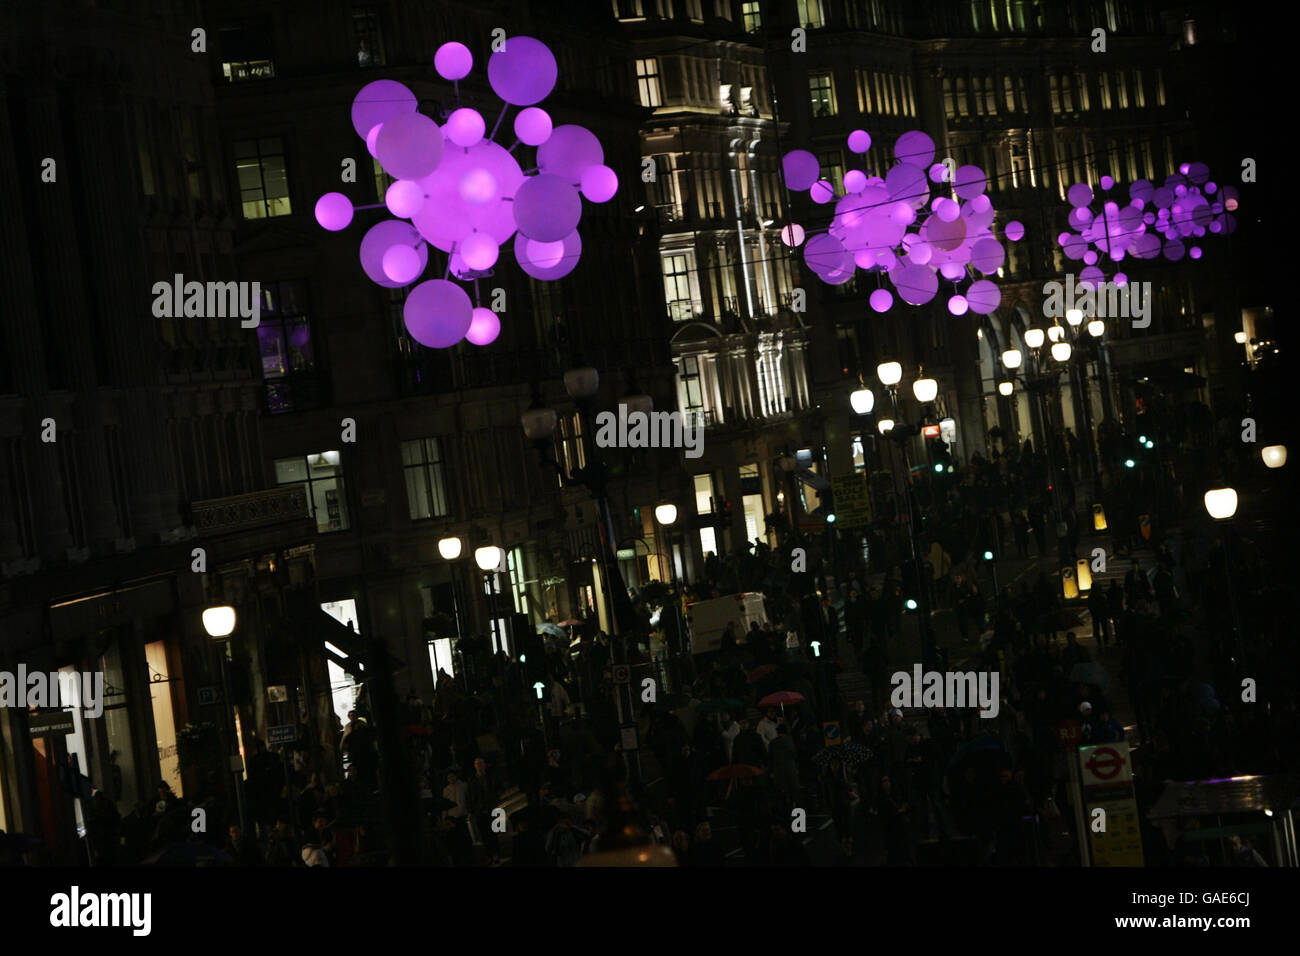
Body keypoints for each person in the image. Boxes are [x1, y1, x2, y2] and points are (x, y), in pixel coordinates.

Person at [466, 757, 500, 865]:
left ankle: (495, 854)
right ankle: (490, 855)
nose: (479, 766)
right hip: (479, 810)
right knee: (484, 833)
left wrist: (495, 798)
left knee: (493, 832)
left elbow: (498, 788)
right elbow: (469, 796)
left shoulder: (490, 777)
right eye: (477, 764)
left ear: (484, 765)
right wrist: (472, 809)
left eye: (480, 764)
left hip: (491, 808)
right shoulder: (472, 780)